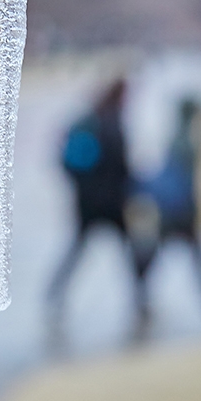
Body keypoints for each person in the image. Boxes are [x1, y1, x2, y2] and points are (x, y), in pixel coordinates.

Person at [128, 98, 201, 340]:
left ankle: (142, 305)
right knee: (198, 265)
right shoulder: (186, 142)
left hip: (172, 214)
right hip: (182, 214)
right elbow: (184, 184)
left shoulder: (178, 140)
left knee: (161, 262)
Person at [46, 78, 130, 354]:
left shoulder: (89, 120)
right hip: (111, 203)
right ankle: (142, 298)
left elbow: (68, 164)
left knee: (78, 250)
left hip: (87, 201)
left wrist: (82, 188)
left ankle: (54, 293)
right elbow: (121, 165)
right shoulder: (111, 122)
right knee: (130, 251)